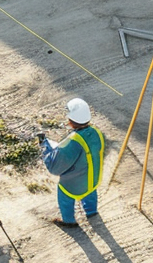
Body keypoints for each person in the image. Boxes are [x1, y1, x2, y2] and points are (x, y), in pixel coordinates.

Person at [39, 98, 105, 228]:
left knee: (64, 193)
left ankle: (69, 220)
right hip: (93, 178)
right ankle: (91, 211)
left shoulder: (73, 141)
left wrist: (45, 147)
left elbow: (55, 168)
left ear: (70, 122)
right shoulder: (96, 132)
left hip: (75, 184)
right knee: (90, 191)